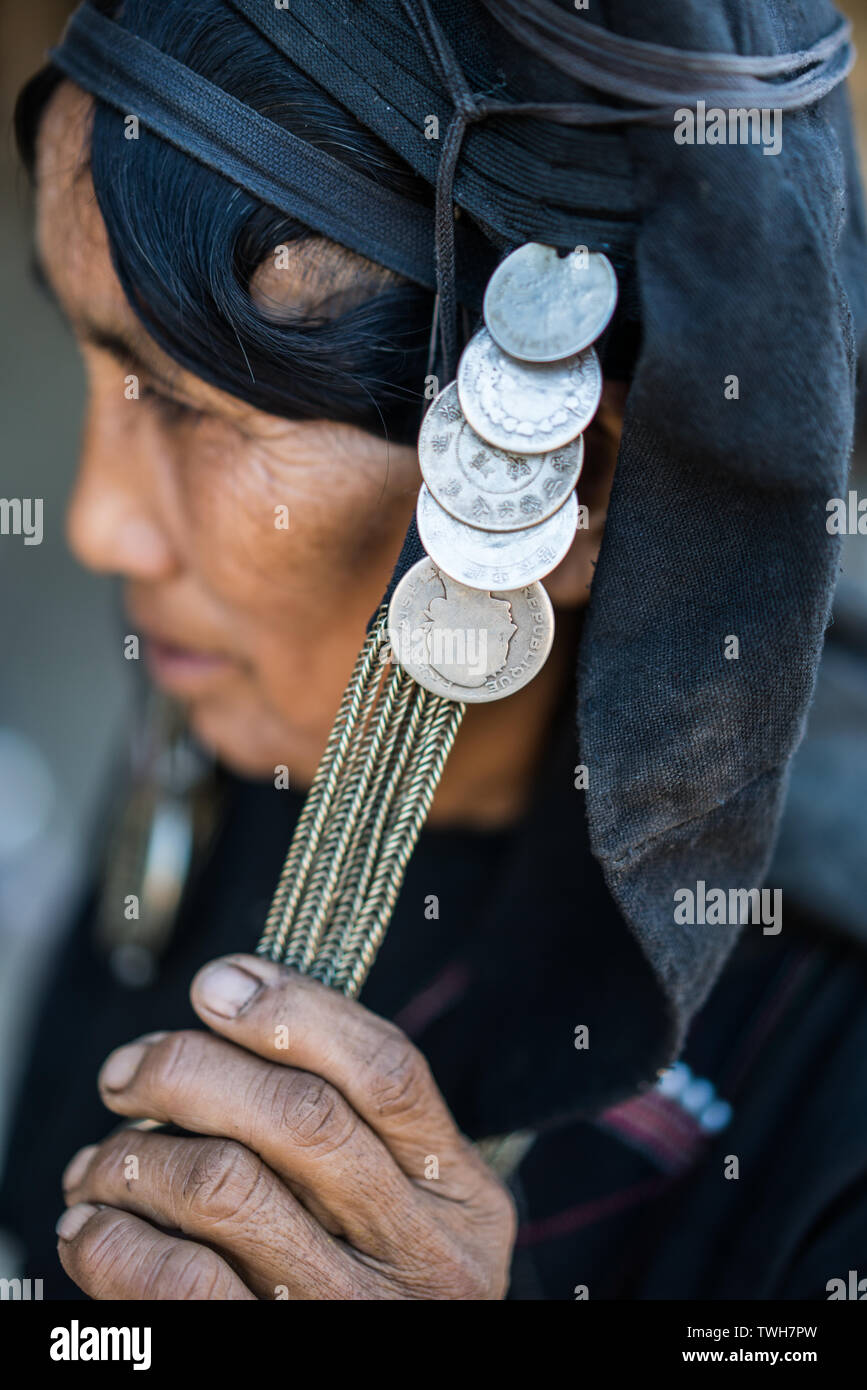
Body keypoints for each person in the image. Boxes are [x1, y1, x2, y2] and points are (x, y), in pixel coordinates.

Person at [1, 0, 866, 1300]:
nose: (98, 521)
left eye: (183, 402)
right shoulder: (236, 732)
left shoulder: (832, 1059)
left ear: (580, 488)